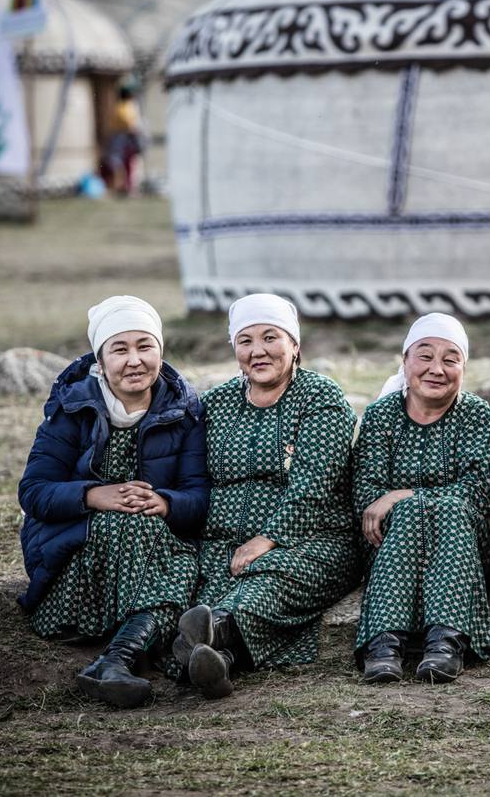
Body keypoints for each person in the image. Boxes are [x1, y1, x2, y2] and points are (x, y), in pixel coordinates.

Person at [18, 296, 208, 708]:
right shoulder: (72, 410)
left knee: (161, 540)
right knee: (137, 533)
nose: (135, 360)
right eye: (120, 350)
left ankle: (114, 660)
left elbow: (198, 495)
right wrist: (91, 495)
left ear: (161, 350)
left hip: (155, 549)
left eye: (145, 346)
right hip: (77, 554)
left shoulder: (184, 412)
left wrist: (166, 503)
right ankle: (146, 653)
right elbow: (34, 493)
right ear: (100, 361)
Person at [173, 294, 359, 700]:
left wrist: (266, 539)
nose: (257, 351)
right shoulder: (217, 403)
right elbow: (193, 473)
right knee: (204, 584)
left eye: (270, 337)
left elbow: (314, 484)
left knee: (268, 581)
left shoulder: (320, 397)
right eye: (245, 341)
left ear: (294, 345)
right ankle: (218, 662)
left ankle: (215, 630)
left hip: (314, 538)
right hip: (224, 541)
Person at [353, 313, 490, 683]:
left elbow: (476, 489)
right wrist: (403, 504)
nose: (437, 369)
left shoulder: (475, 414)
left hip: (460, 538)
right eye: (425, 356)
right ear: (405, 361)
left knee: (441, 508)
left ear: (463, 367)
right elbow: (366, 492)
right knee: (417, 512)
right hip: (390, 538)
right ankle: (384, 645)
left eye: (450, 359)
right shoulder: (382, 415)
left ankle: (445, 643)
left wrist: (403, 494)